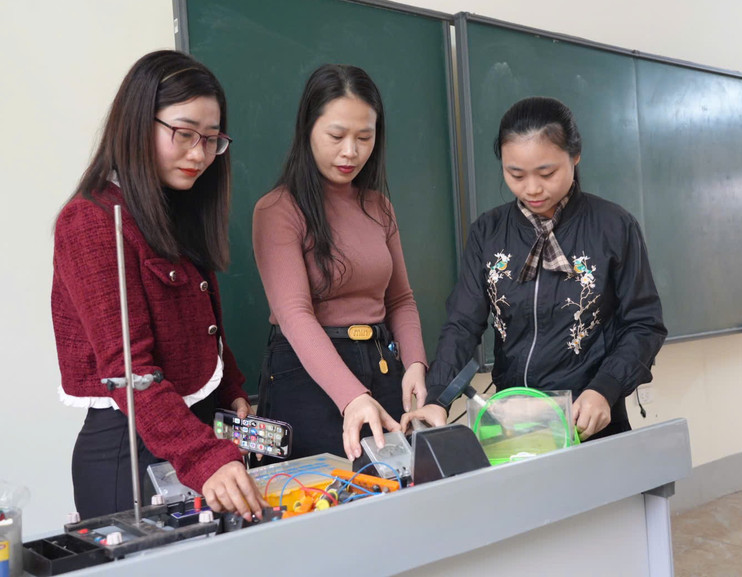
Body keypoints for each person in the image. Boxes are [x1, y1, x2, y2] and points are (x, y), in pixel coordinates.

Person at [52, 50, 265, 520]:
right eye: (184, 134)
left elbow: (204, 325)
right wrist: (204, 457)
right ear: (136, 122)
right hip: (132, 454)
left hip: (198, 437)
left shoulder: (173, 212)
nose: (199, 154)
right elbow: (129, 371)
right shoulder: (90, 221)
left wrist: (231, 389)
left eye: (211, 140)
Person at [402, 97, 667, 441]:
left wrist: (605, 388)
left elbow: (644, 324)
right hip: (511, 422)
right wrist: (438, 397)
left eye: (547, 173)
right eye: (515, 174)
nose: (532, 188)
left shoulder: (613, 227)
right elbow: (463, 324)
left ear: (575, 156)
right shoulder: (489, 231)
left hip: (588, 419)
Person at [252, 64, 428, 462]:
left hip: (382, 365)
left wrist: (415, 364)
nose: (351, 151)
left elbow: (401, 299)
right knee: (320, 502)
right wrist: (351, 397)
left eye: (364, 138)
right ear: (307, 129)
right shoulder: (278, 209)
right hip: (308, 374)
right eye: (336, 136)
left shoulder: (378, 206)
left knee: (393, 493)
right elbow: (295, 315)